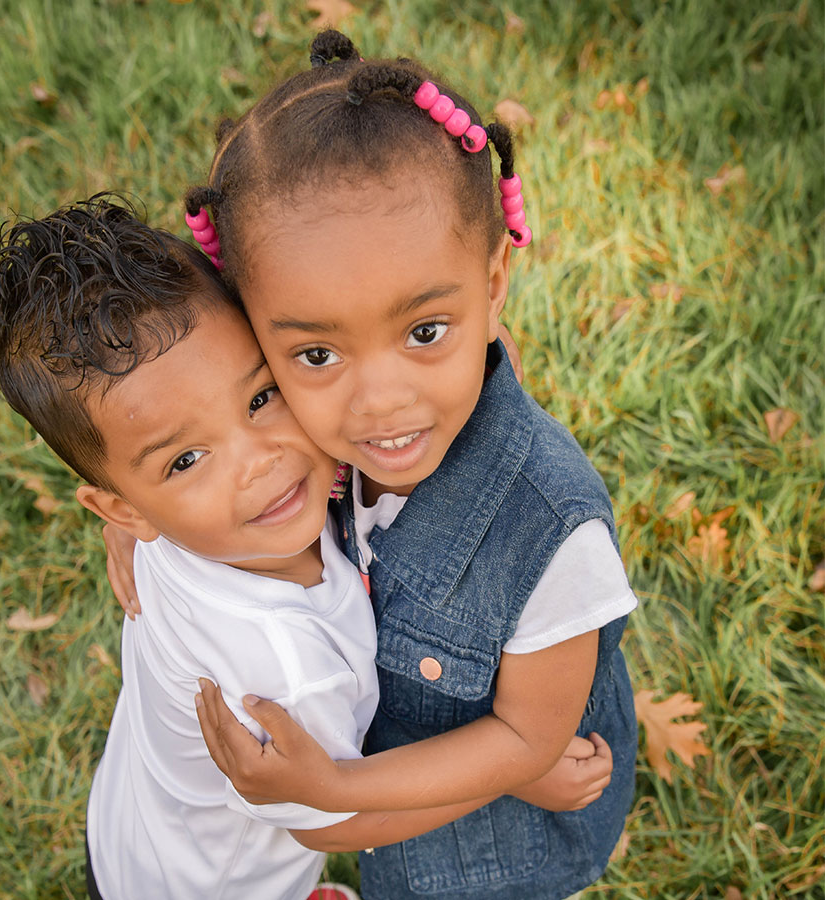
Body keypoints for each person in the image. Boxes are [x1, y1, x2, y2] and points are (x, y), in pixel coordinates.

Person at [0, 196, 613, 900]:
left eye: (259, 399)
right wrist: (522, 772)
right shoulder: (282, 670)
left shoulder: (198, 524)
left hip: (138, 829)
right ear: (124, 510)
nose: (260, 463)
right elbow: (329, 819)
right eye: (187, 460)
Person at [181, 30, 640, 900]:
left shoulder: (550, 537)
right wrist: (136, 517)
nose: (379, 403)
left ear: (494, 282)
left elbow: (528, 741)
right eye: (317, 353)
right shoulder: (287, 433)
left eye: (426, 333)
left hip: (495, 857)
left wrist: (333, 790)